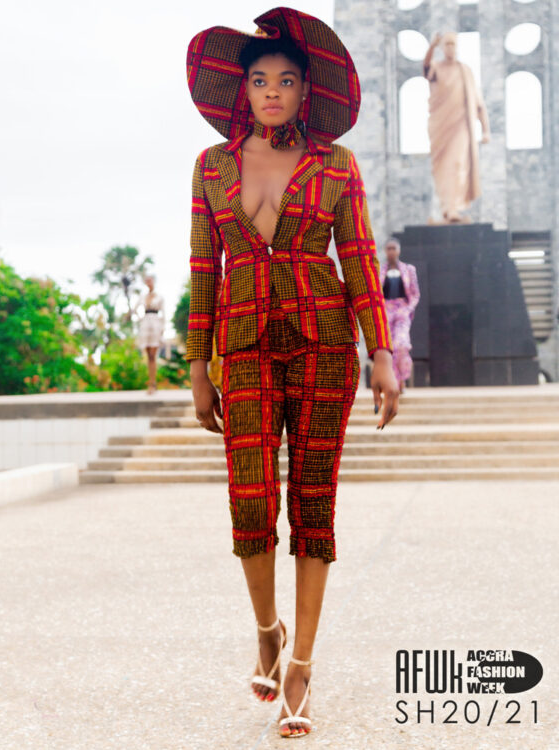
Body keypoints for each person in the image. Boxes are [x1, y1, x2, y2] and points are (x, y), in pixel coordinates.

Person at [185, 7, 399, 738]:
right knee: (250, 503)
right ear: (242, 89)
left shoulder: (337, 164)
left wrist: (382, 352)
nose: (272, 91)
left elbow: (360, 259)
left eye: (285, 80)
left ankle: (301, 664)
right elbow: (203, 268)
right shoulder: (211, 166)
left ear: (307, 91)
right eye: (259, 79)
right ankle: (267, 631)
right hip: (243, 345)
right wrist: (198, 364)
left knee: (313, 502)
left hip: (324, 344)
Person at [423, 31, 490, 223]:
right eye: (447, 44)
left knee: (458, 164)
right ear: (442, 47)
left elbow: (478, 103)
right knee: (442, 168)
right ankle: (446, 207)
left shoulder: (465, 71)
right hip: (440, 127)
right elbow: (425, 67)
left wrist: (485, 130)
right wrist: (431, 46)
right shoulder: (436, 67)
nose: (450, 48)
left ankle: (453, 208)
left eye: (453, 44)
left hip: (461, 126)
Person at [380, 238, 420, 393]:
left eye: (394, 248)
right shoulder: (379, 270)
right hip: (385, 311)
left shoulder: (408, 269)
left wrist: (408, 309)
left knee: (401, 345)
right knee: (387, 348)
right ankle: (392, 382)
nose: (391, 251)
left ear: (399, 250)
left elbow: (415, 294)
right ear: (385, 250)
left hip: (402, 310)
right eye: (389, 248)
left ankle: (401, 378)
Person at [133, 274, 165, 395]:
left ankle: (153, 383)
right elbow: (135, 309)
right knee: (148, 355)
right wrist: (140, 319)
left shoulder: (159, 297)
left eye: (150, 280)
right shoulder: (143, 296)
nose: (148, 282)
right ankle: (151, 383)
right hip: (145, 324)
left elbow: (164, 313)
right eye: (147, 281)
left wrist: (162, 328)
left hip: (156, 324)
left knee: (153, 355)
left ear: (154, 281)